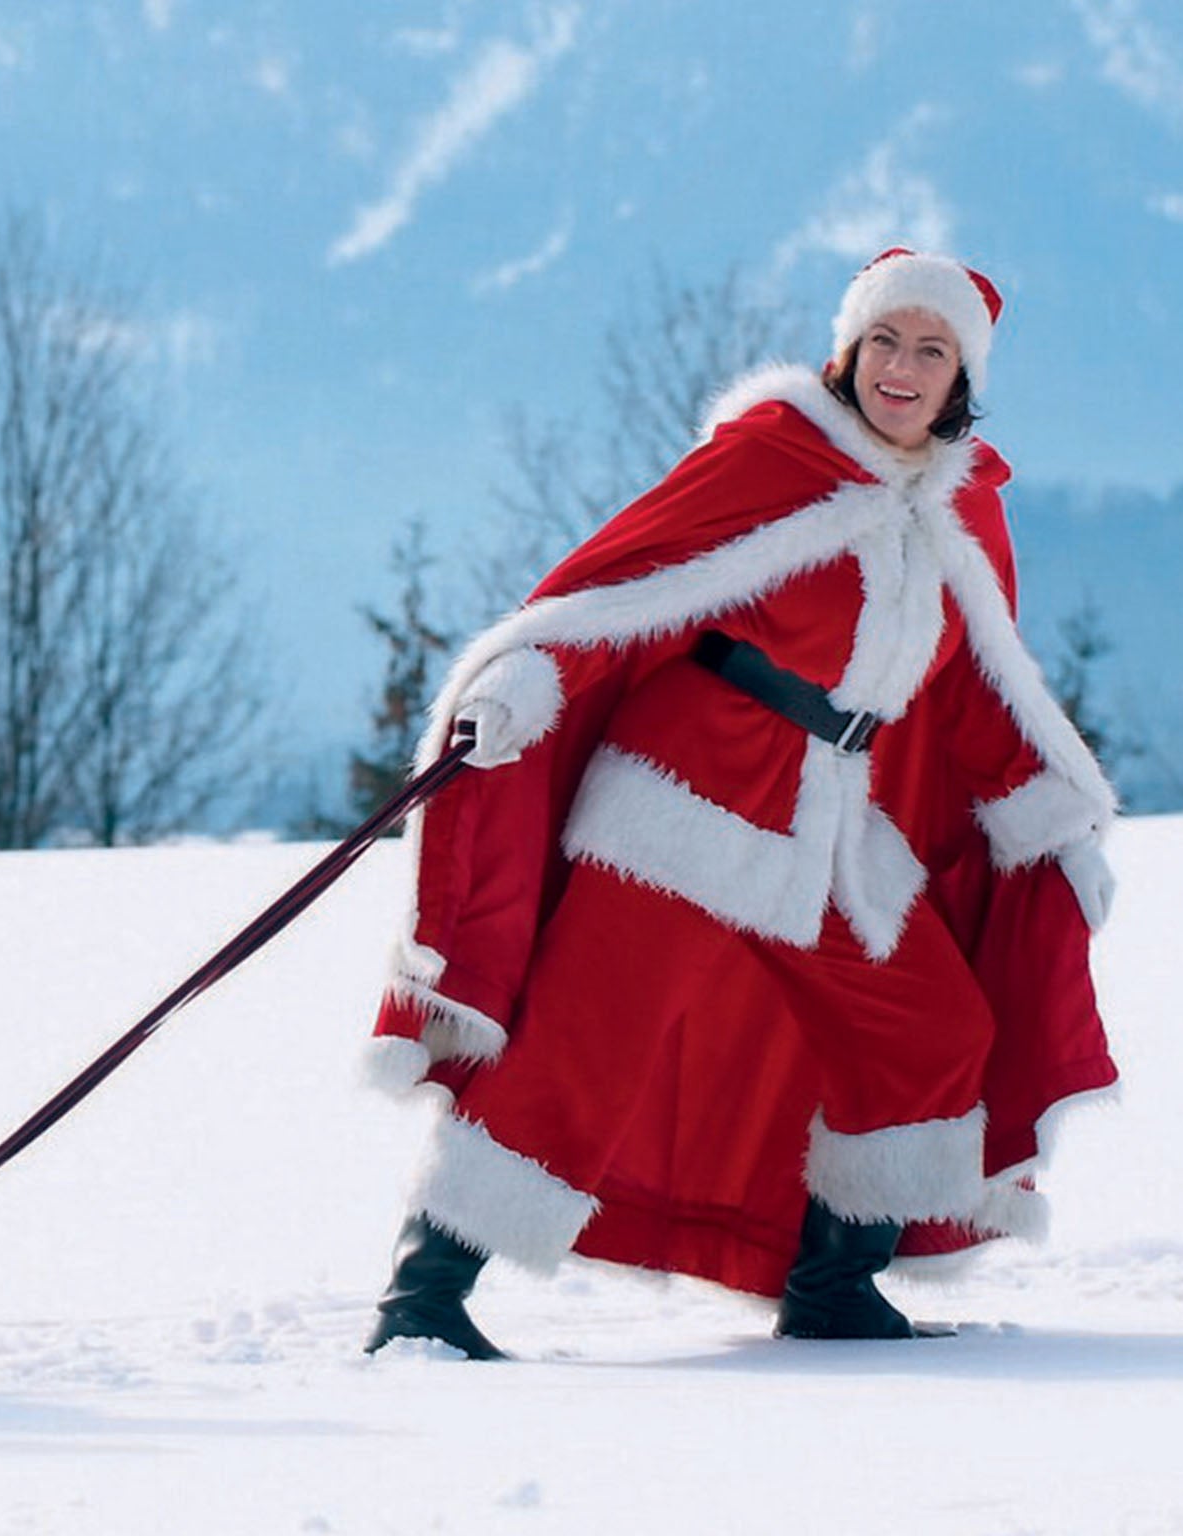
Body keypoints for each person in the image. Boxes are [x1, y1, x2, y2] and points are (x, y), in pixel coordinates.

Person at [359, 249, 1121, 1359]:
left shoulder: (952, 515)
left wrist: (1047, 816)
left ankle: (831, 1284)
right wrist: (530, 680)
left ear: (961, 377)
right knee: (586, 1044)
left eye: (929, 350)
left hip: (829, 821)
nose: (899, 369)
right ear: (846, 351)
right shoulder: (774, 458)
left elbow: (973, 688)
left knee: (928, 1028)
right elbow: (620, 587)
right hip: (687, 791)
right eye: (882, 344)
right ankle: (421, 1303)